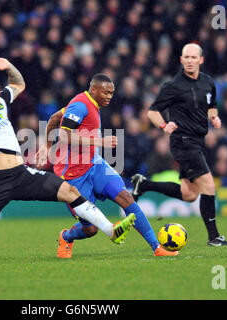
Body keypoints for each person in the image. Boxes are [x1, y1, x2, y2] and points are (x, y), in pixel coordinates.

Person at [0, 57, 136, 264]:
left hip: (21, 174)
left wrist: (8, 65)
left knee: (70, 191)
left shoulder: (0, 104)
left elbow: (19, 84)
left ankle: (112, 231)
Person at [35, 73, 177, 258]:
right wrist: (99, 142)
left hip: (95, 165)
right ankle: (67, 236)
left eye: (111, 93)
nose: (109, 96)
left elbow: (55, 118)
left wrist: (46, 146)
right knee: (91, 229)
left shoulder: (89, 103)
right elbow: (63, 135)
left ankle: (157, 247)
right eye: (106, 92)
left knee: (126, 199)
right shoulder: (80, 105)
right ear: (93, 90)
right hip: (73, 176)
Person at [131, 43, 227, 247]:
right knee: (209, 185)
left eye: (193, 57)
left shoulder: (208, 82)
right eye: (186, 57)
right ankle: (214, 237)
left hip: (198, 141)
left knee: (189, 194)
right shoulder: (172, 86)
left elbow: (211, 105)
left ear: (201, 60)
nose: (189, 61)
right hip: (182, 141)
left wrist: (214, 118)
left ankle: (143, 184)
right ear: (181, 60)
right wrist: (163, 124)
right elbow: (152, 111)